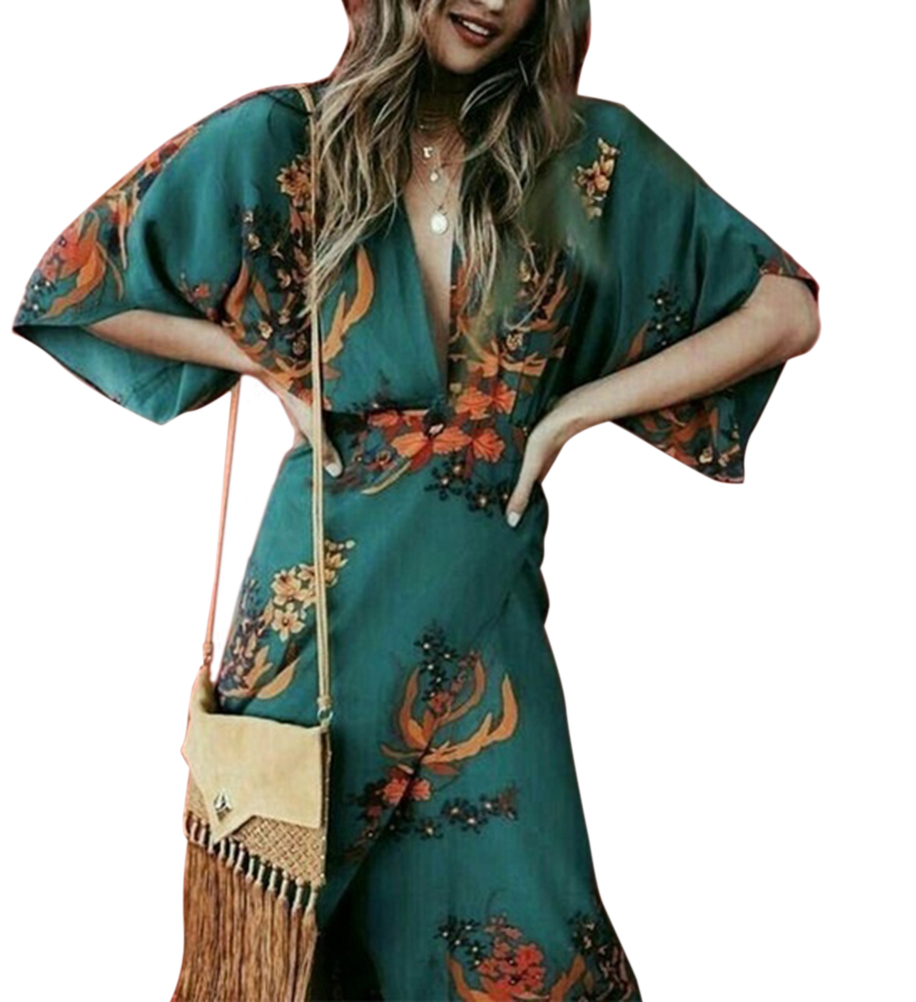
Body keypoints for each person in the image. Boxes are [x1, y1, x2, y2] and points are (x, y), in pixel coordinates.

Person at [11, 0, 821, 997]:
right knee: (281, 971)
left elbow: (785, 309)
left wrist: (571, 411)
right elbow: (75, 287)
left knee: (537, 949)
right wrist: (263, 364)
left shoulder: (583, 158)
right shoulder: (286, 139)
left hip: (483, 620)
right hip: (319, 625)